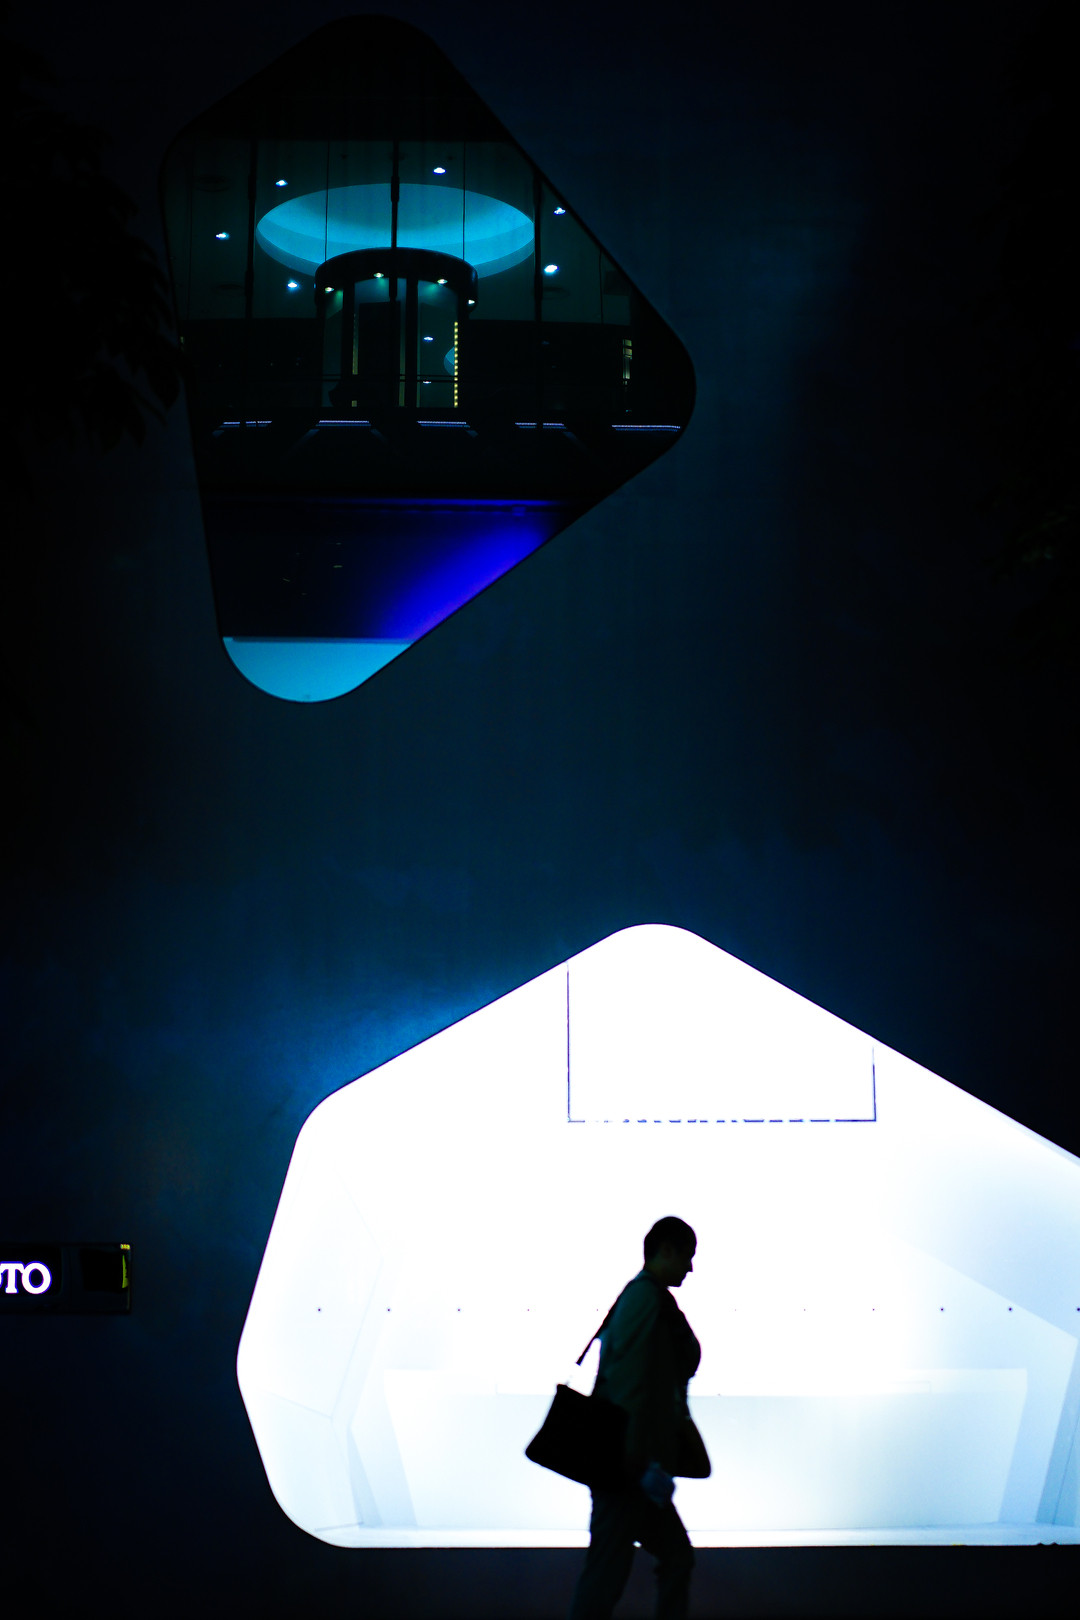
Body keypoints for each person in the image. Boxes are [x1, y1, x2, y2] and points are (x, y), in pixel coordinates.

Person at [568, 1216, 704, 1620]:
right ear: (666, 1250)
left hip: (635, 1468)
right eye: (687, 1255)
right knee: (609, 1576)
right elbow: (630, 1385)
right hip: (628, 1470)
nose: (690, 1267)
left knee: (651, 1563)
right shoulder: (647, 1299)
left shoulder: (644, 1297)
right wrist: (635, 1461)